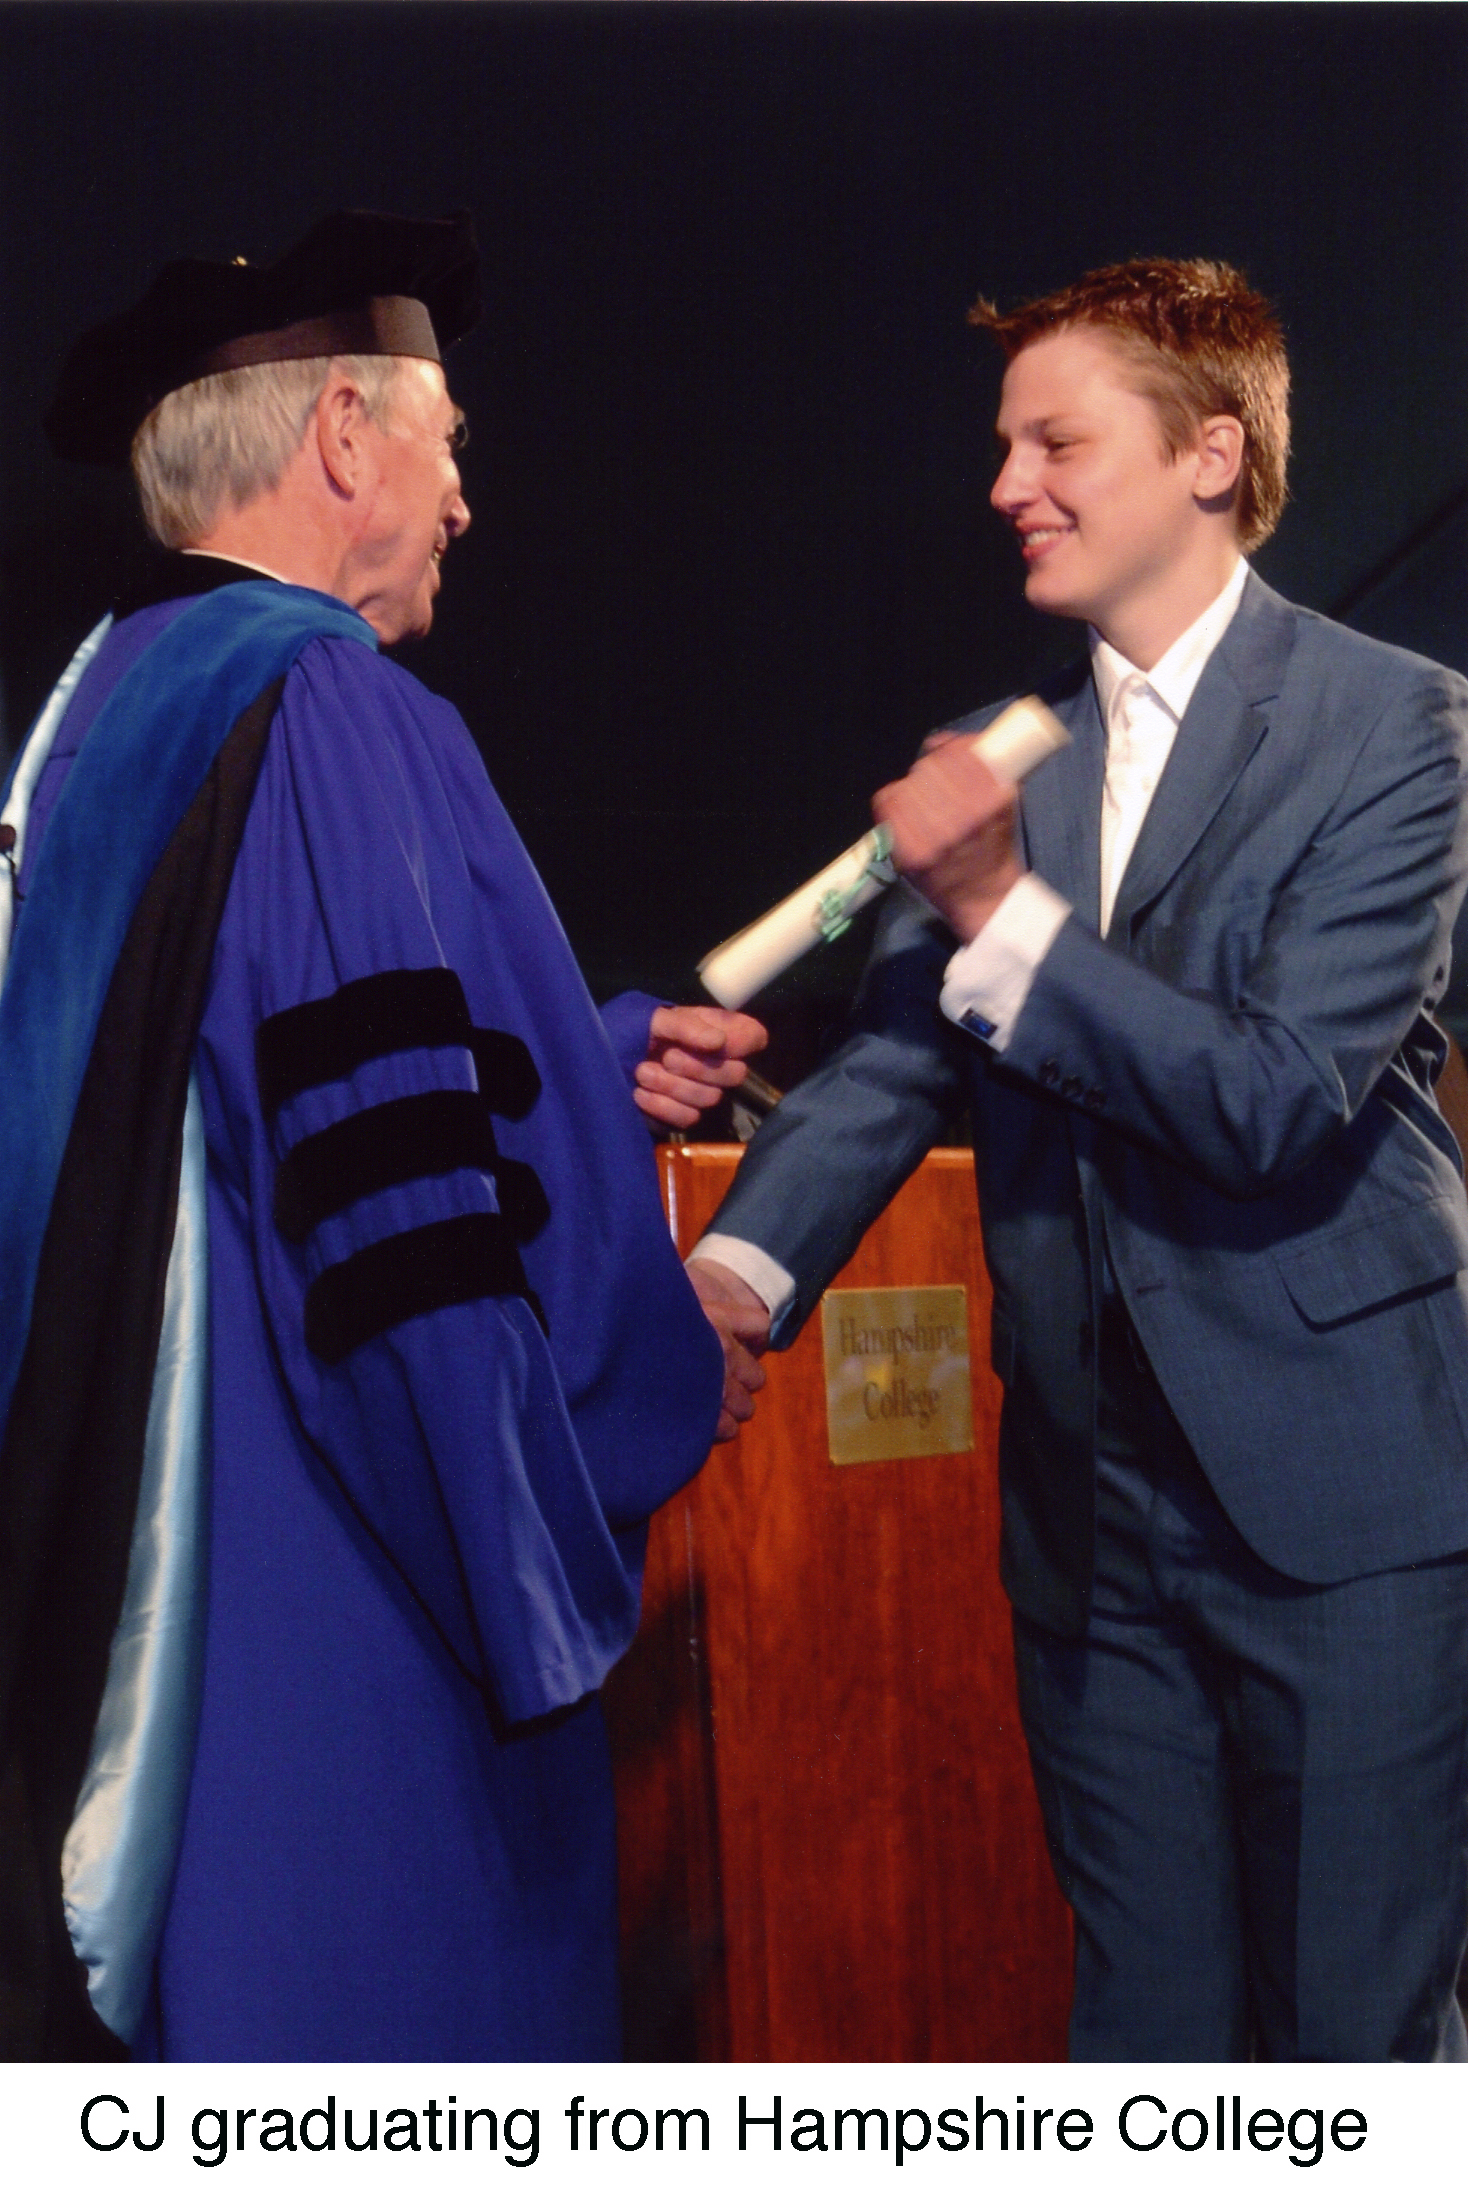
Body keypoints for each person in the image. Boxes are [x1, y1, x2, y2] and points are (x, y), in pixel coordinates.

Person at [0, 208, 764, 2060]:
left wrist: (580, 1062)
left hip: (139, 1578)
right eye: (450, 446)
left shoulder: (97, 711)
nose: (462, 501)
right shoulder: (332, 700)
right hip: (348, 1605)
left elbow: (256, 1082)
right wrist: (656, 1355)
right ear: (346, 434)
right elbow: (399, 1218)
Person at [688, 258, 1468, 2061]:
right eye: (1001, 443)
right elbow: (893, 1066)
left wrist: (997, 907)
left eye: (1057, 439)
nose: (1006, 484)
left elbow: (1277, 1097)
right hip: (1090, 1518)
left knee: (1356, 2043)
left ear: (1210, 454)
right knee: (1145, 2044)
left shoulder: (1397, 723)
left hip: (1348, 1515)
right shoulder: (992, 754)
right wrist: (729, 1281)